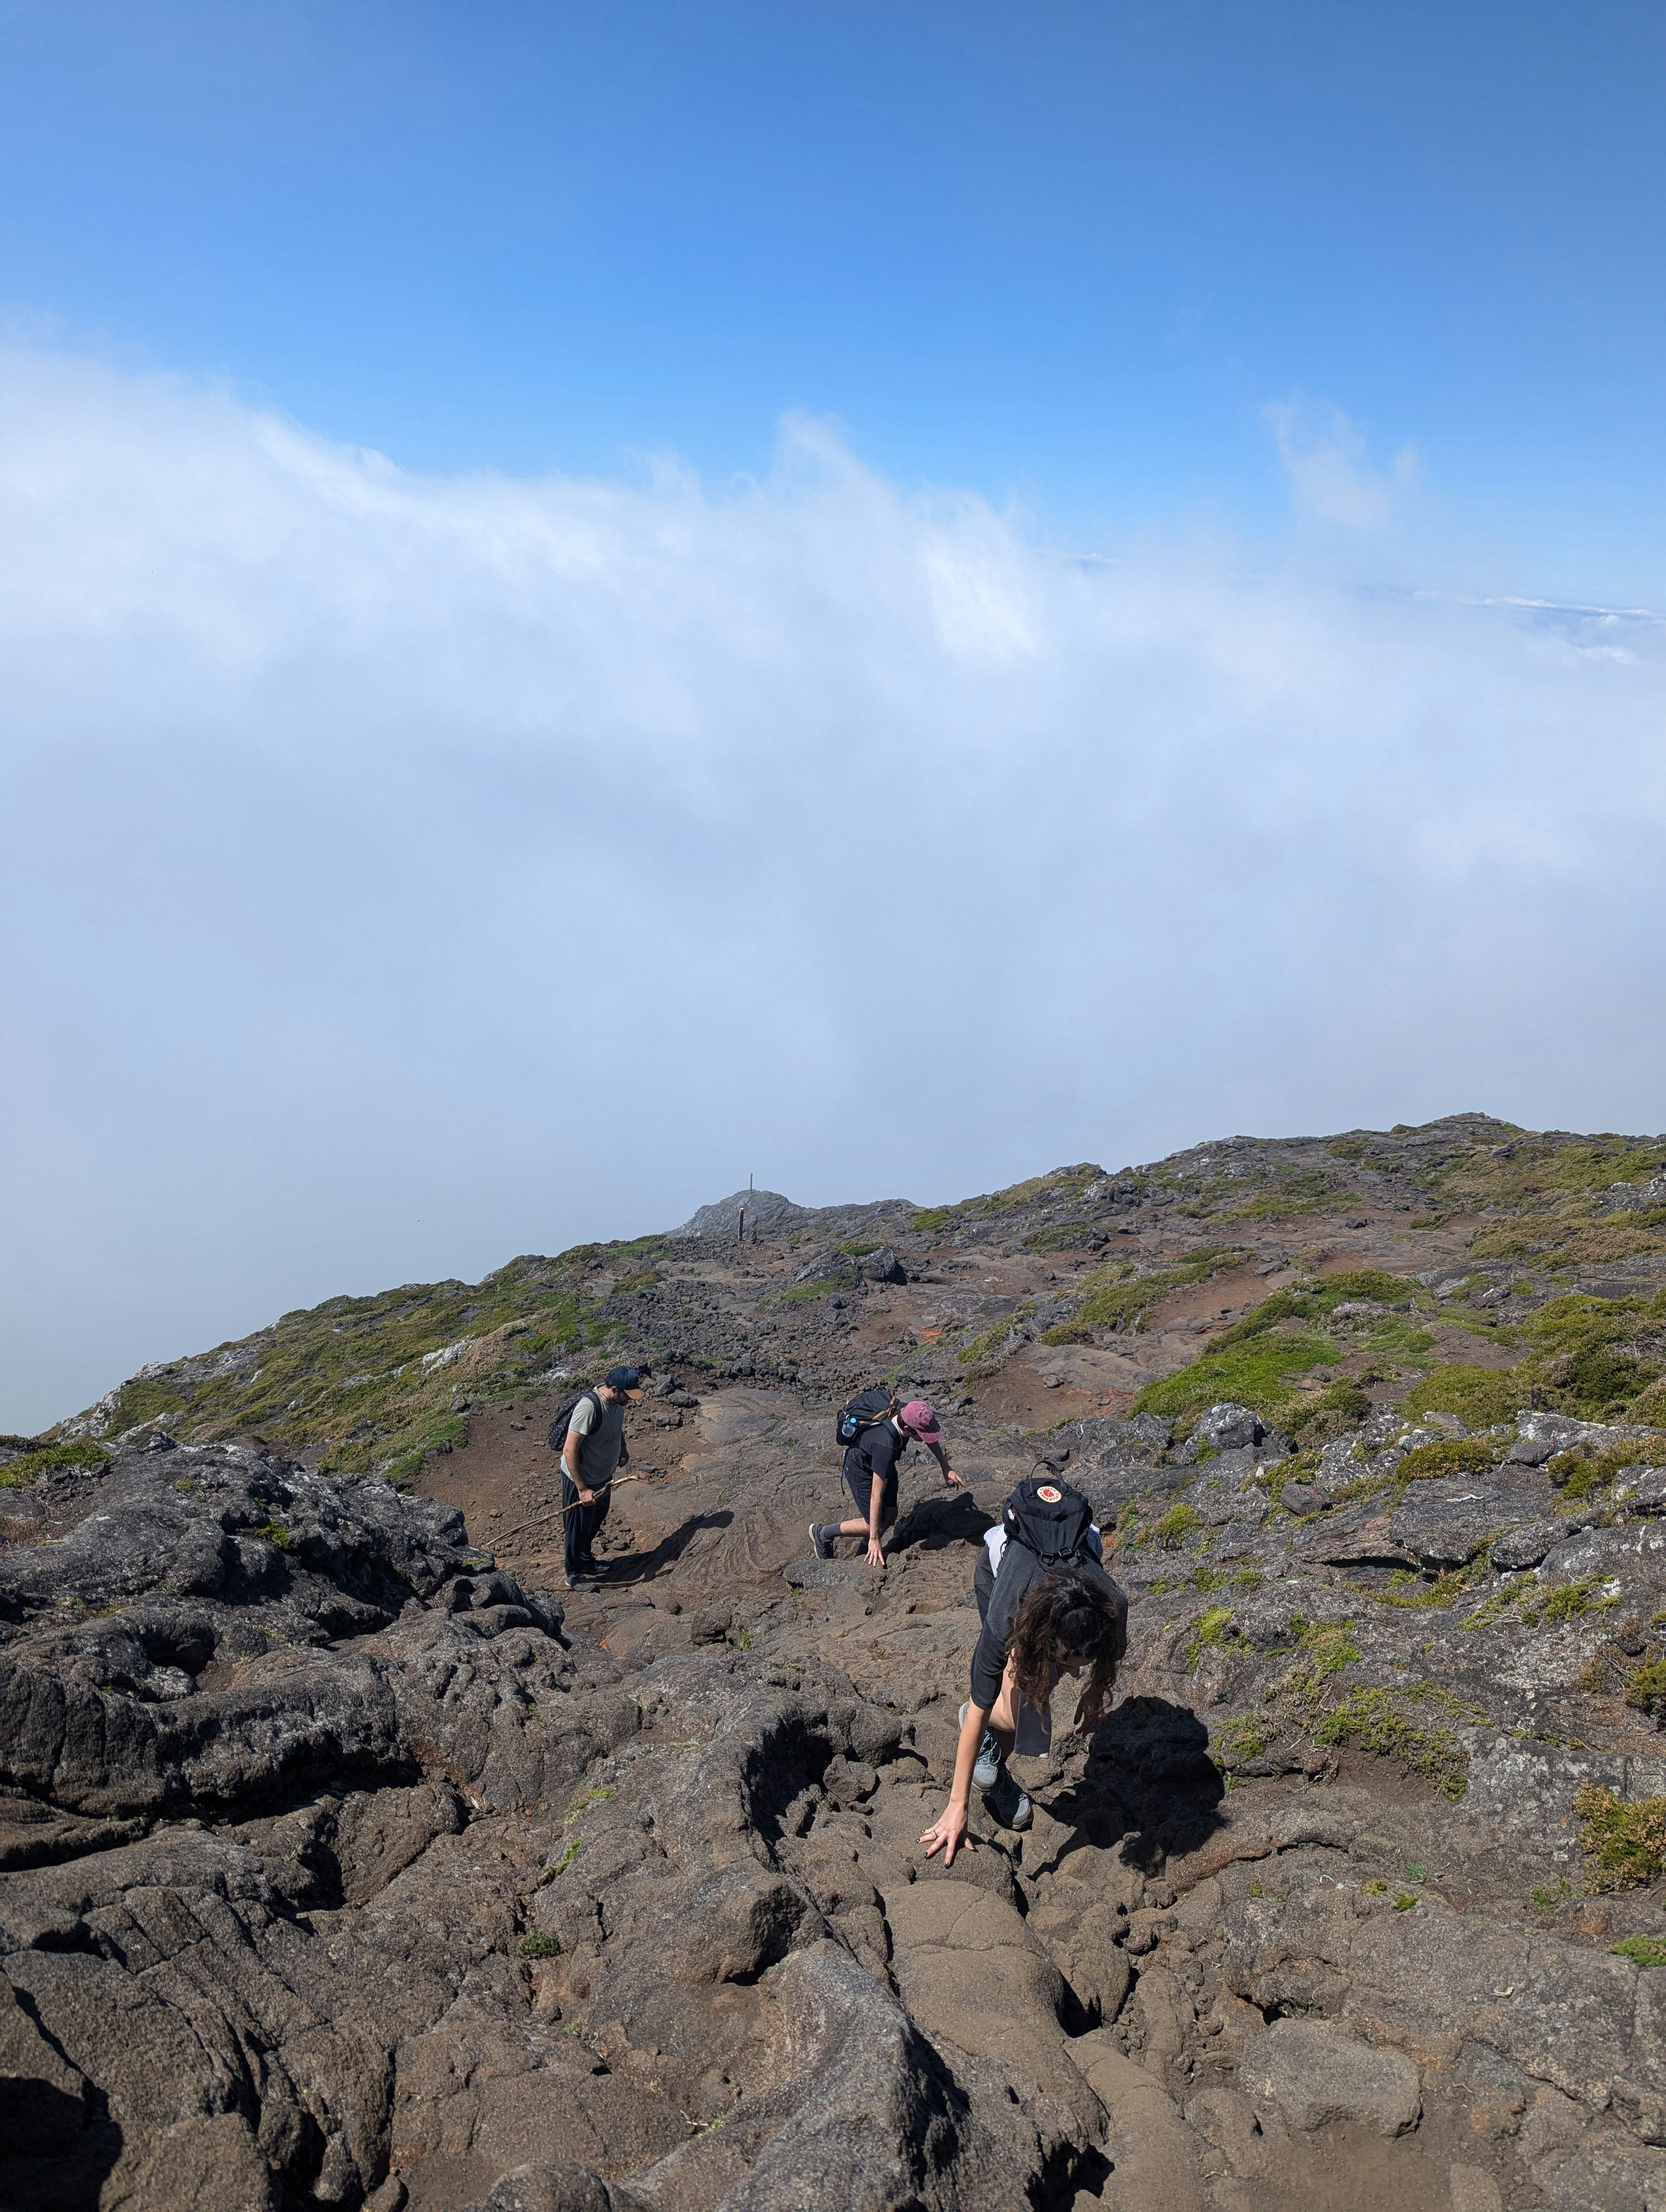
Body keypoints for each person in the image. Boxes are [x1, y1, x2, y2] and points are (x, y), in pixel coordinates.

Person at [920, 1478, 1127, 1862]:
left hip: (1059, 1603)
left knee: (1035, 1704)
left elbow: (1108, 1653)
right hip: (998, 1575)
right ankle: (989, 1753)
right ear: (1045, 1642)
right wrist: (957, 1807)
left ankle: (996, 1757)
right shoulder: (1006, 1617)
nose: (1076, 1675)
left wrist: (1096, 1692)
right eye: (1070, 1666)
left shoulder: (1112, 1604)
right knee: (1026, 1713)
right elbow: (980, 1702)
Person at [810, 1398, 963, 1570]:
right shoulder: (886, 1446)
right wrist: (875, 1539)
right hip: (861, 1468)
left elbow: (927, 1433)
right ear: (907, 1429)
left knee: (890, 1515)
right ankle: (823, 1534)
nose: (925, 1437)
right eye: (920, 1434)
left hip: (882, 1464)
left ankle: (861, 1556)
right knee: (873, 1524)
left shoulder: (907, 1411)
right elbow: (877, 1494)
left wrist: (945, 1466)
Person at [559, 1365, 645, 1589]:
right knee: (577, 1527)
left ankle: (586, 1562)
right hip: (582, 1479)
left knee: (594, 1521)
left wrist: (623, 1447)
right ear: (615, 1389)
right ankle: (573, 1574)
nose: (631, 1400)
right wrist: (582, 1489)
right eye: (628, 1395)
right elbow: (570, 1450)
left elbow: (617, 1427)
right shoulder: (589, 1408)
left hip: (603, 1476)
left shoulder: (618, 1402)